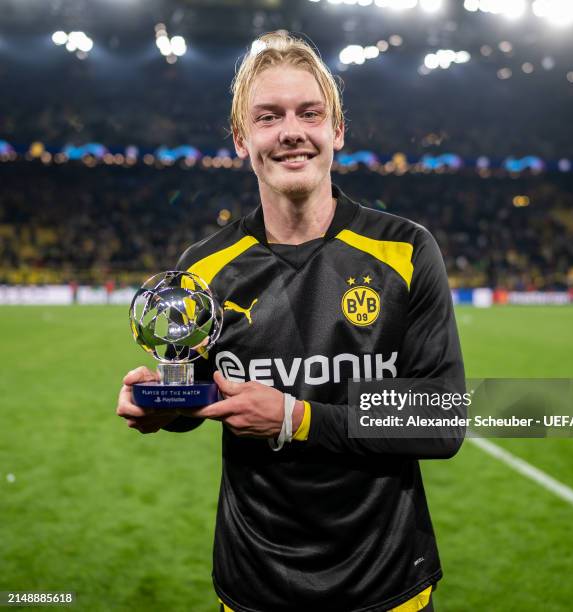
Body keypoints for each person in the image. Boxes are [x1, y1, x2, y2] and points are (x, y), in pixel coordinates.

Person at [117, 31, 465, 612]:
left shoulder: (405, 250)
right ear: (241, 138)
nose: (291, 132)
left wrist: (294, 417)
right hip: (255, 583)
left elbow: (442, 420)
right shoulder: (203, 269)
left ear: (338, 131)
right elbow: (202, 398)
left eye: (310, 113)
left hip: (385, 584)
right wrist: (161, 405)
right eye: (268, 116)